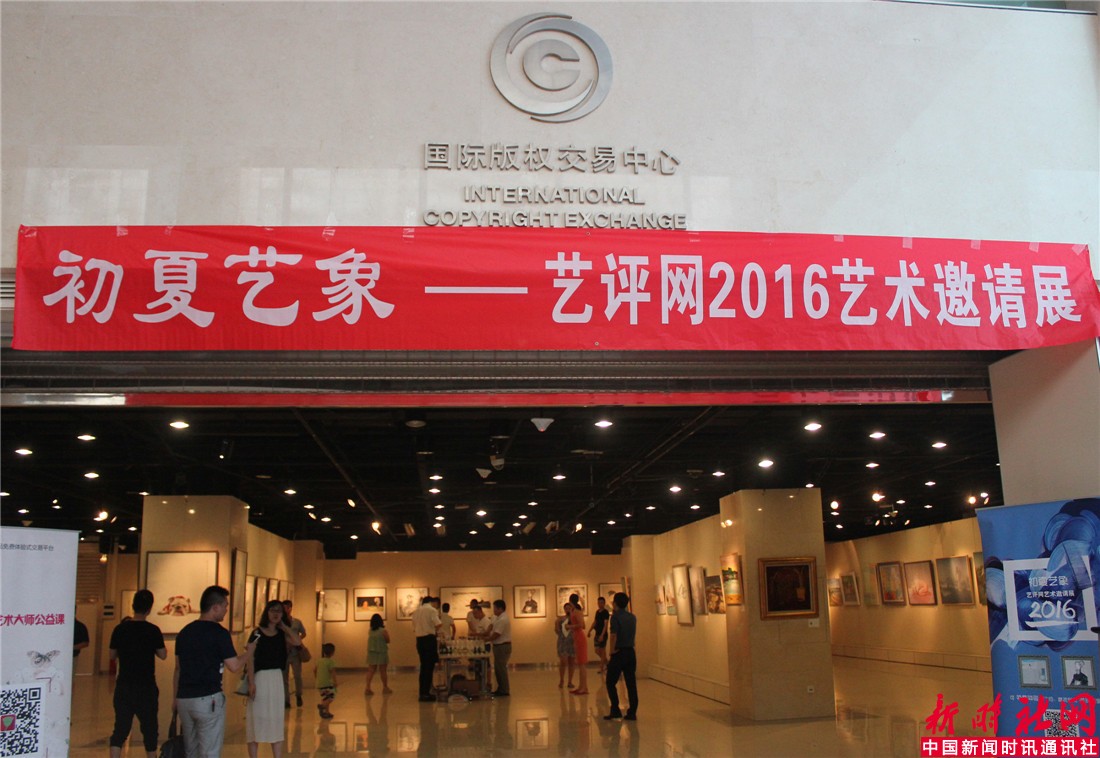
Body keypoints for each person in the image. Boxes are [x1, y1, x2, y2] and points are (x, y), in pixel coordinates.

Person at [174, 585, 255, 757]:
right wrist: (249, 652)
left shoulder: (184, 632)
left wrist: (175, 698)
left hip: (184, 699)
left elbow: (178, 668)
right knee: (209, 751)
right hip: (208, 698)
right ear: (215, 607)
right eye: (225, 606)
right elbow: (234, 666)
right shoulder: (219, 633)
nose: (226, 610)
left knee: (191, 750)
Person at [109, 589, 167, 758]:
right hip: (146, 687)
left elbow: (112, 655)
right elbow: (163, 655)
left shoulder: (120, 629)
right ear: (149, 609)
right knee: (150, 729)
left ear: (133, 606)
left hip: (124, 685)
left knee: (120, 729)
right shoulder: (153, 630)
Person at [246, 599, 302, 758]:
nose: (276, 614)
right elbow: (250, 657)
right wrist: (251, 682)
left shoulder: (282, 634)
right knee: (256, 718)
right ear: (267, 612)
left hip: (276, 678)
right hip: (260, 677)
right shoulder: (257, 633)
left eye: (279, 611)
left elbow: (297, 641)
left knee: (276, 718)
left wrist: (285, 627)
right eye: (273, 610)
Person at [603, 592, 638, 721]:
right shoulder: (632, 617)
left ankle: (615, 709)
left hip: (619, 652)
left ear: (615, 603)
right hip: (630, 652)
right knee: (631, 683)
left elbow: (613, 635)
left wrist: (611, 651)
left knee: (610, 682)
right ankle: (632, 712)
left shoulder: (615, 617)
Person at [411, 596, 442, 702]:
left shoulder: (416, 612)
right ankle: (426, 693)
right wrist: (433, 629)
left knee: (423, 667)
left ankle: (422, 692)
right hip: (429, 640)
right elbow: (438, 624)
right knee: (429, 668)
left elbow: (414, 628)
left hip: (420, 641)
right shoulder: (432, 610)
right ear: (432, 602)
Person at [281, 599, 306, 708]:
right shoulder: (279, 623)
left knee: (297, 675)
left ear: (290, 608)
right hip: (284, 653)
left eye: (287, 608)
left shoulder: (297, 622)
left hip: (295, 653)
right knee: (284, 678)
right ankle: (286, 700)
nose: (285, 610)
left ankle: (298, 694)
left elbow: (303, 633)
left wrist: (297, 640)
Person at [486, 599, 511, 697]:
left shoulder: (503, 619)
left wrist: (487, 639)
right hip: (498, 646)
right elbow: (491, 626)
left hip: (502, 646)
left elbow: (497, 634)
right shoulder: (497, 618)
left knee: (501, 669)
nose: (494, 610)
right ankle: (501, 688)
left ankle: (504, 690)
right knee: (498, 669)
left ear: (500, 609)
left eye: (495, 608)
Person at [365, 614, 392, 695]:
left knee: (371, 670)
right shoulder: (383, 631)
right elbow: (388, 640)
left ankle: (367, 687)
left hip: (372, 652)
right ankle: (385, 687)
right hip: (381, 652)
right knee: (383, 671)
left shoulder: (370, 631)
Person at [567, 593, 589, 695]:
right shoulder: (574, 611)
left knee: (582, 664)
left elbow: (582, 625)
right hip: (577, 637)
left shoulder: (577, 611)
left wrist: (570, 626)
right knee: (580, 664)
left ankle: (584, 687)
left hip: (580, 637)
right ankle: (581, 686)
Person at [588, 596, 610, 675]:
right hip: (597, 633)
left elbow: (605, 625)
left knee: (602, 650)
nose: (600, 604)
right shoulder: (597, 612)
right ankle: (608, 663)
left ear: (604, 603)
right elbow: (595, 622)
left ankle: (601, 668)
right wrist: (589, 630)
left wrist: (602, 635)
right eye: (599, 603)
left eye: (601, 603)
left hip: (603, 634)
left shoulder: (606, 612)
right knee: (597, 650)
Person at [555, 602, 575, 689]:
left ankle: (570, 681)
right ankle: (561, 680)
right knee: (563, 661)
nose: (567, 610)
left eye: (569, 608)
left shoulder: (574, 619)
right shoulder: (561, 619)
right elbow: (557, 631)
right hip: (562, 642)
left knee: (572, 662)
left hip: (572, 642)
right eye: (566, 608)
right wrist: (557, 623)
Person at [315, 643, 337, 719]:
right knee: (331, 697)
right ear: (333, 652)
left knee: (325, 698)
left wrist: (316, 678)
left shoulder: (319, 661)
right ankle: (322, 706)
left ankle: (326, 712)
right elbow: (333, 672)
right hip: (327, 683)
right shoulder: (331, 662)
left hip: (320, 684)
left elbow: (314, 670)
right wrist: (335, 681)